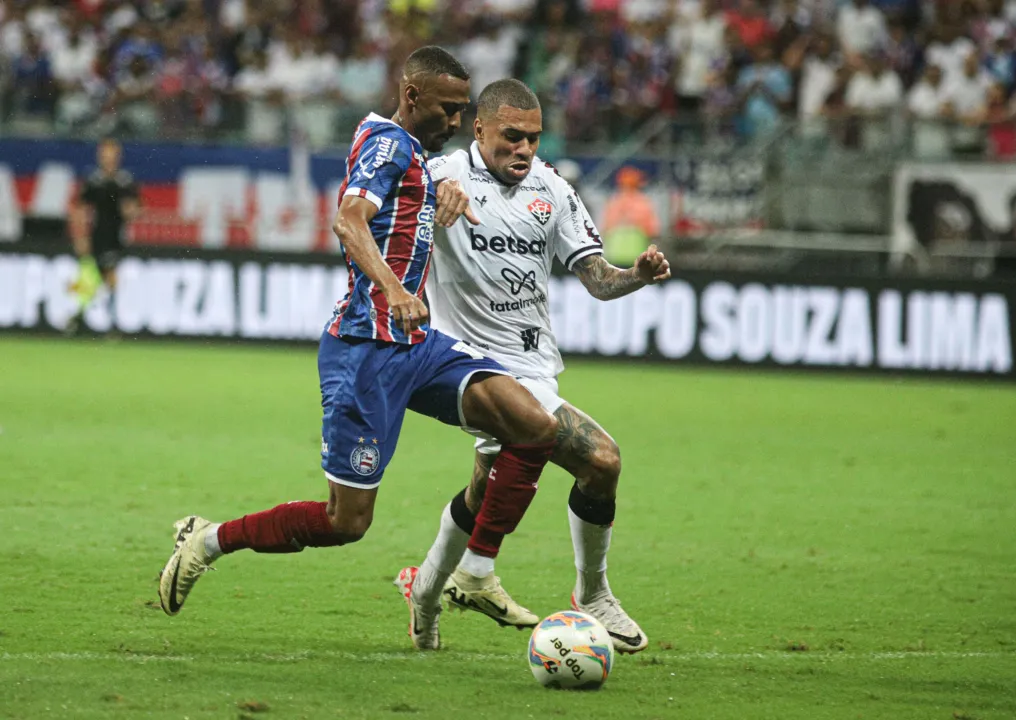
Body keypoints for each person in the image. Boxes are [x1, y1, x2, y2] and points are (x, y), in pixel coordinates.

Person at [157, 48, 565, 653]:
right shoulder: (391, 144)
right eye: (449, 109)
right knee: (345, 522)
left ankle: (474, 572)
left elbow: (408, 207)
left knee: (533, 425)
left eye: (462, 111)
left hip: (418, 345)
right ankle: (209, 540)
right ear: (412, 94)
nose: (455, 122)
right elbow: (349, 220)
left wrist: (443, 194)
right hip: (366, 350)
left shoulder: (414, 154)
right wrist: (396, 288)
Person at [394, 79, 671, 655]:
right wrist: (427, 206)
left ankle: (424, 594)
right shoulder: (441, 175)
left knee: (482, 494)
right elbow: (381, 217)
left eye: (533, 139)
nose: (523, 150)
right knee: (601, 460)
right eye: (511, 137)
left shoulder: (554, 190)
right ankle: (591, 593)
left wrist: (637, 275)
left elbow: (596, 279)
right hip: (466, 363)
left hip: (534, 366)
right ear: (478, 129)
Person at [67, 137, 140, 333]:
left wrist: (130, 211)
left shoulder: (125, 181)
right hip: (96, 235)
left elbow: (134, 210)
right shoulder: (93, 180)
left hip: (116, 237)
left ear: (118, 158)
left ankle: (104, 320)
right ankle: (83, 316)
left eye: (112, 156)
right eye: (105, 156)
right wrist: (80, 236)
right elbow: (80, 209)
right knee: (89, 276)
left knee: (109, 276)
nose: (108, 160)